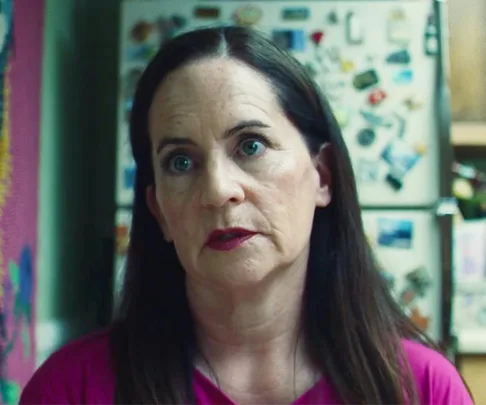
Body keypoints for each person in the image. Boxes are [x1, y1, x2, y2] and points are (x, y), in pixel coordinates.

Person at [20, 26, 472, 405]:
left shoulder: (423, 388)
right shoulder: (71, 388)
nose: (218, 190)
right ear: (159, 209)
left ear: (323, 176)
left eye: (251, 146)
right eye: (181, 161)